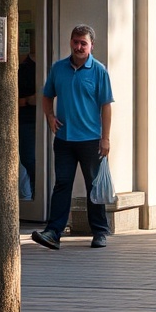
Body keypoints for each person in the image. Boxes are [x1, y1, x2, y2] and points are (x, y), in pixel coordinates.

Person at [31, 24, 114, 250]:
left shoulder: (99, 71)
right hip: (65, 139)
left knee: (93, 187)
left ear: (91, 46)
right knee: (62, 184)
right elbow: (47, 96)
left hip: (91, 140)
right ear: (70, 42)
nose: (78, 46)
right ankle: (53, 233)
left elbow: (106, 106)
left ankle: (99, 232)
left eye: (83, 43)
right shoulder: (58, 69)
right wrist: (49, 116)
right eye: (75, 42)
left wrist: (105, 138)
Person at [18, 49, 37, 199]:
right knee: (28, 158)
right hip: (27, 120)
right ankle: (35, 192)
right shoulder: (23, 69)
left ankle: (34, 193)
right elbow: (11, 99)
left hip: (46, 120)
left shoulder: (53, 66)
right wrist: (28, 100)